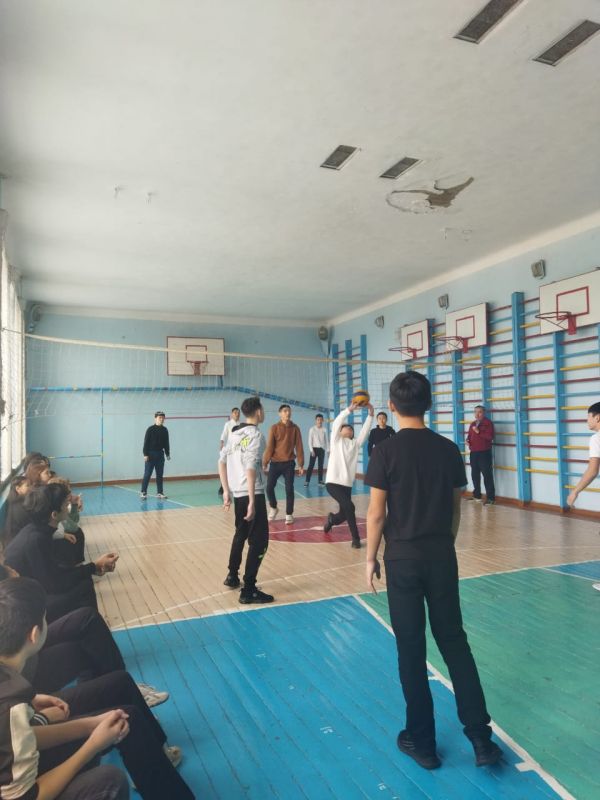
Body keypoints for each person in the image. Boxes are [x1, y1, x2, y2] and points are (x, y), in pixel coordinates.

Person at [365, 371, 502, 770]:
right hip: (441, 556)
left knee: (411, 649)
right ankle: (481, 740)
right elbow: (456, 509)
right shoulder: (448, 449)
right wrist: (444, 545)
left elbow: (376, 514)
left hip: (402, 560)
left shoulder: (385, 452)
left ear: (392, 406)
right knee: (455, 643)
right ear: (428, 403)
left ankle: (422, 743)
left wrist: (370, 558)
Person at [0, 577, 195, 800]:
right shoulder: (11, 705)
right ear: (34, 635)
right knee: (110, 782)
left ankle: (160, 763)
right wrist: (92, 745)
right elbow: (27, 796)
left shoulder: (12, 690)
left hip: (23, 741)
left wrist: (90, 724)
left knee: (122, 711)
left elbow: (18, 736)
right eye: (45, 618)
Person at [0, 561, 169, 708]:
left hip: (24, 651)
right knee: (84, 653)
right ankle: (118, 692)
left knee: (87, 619)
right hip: (25, 671)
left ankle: (118, 691)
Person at [4, 484, 118, 622]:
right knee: (84, 587)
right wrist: (94, 566)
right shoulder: (36, 540)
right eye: (65, 505)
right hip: (24, 607)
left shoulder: (36, 530)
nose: (67, 506)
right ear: (54, 514)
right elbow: (54, 584)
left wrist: (94, 567)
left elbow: (53, 573)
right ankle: (89, 623)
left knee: (83, 578)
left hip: (34, 588)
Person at [219, 396, 273, 604]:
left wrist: (226, 491)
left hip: (238, 494)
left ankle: (232, 576)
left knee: (240, 534)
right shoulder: (256, 435)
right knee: (260, 542)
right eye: (263, 409)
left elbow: (221, 461)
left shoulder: (234, 435)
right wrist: (252, 500)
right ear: (258, 412)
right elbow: (250, 467)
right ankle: (248, 589)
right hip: (253, 494)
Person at [324, 403, 374, 548]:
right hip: (333, 483)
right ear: (340, 431)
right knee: (349, 506)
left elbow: (364, 431)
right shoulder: (336, 440)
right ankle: (356, 539)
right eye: (346, 427)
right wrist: (349, 410)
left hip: (347, 485)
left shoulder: (355, 444)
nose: (349, 429)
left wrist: (370, 414)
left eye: (351, 429)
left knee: (344, 512)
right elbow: (337, 423)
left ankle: (332, 520)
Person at [567, 401, 600, 592]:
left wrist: (575, 490)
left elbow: (592, 470)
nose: (587, 420)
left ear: (597, 417)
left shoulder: (596, 438)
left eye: (588, 416)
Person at [262, 404, 304, 524]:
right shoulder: (274, 428)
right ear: (279, 414)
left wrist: (300, 464)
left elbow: (299, 446)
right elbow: (270, 447)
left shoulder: (295, 428)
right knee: (269, 487)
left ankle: (289, 514)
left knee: (289, 489)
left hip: (289, 464)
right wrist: (265, 462)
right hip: (275, 463)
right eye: (285, 411)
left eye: (289, 411)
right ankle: (273, 507)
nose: (287, 413)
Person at [466, 405, 495, 505]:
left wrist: (479, 432)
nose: (477, 414)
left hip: (484, 453)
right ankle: (477, 495)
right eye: (475, 412)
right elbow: (469, 436)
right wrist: (467, 441)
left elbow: (490, 437)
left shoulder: (488, 423)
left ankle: (490, 498)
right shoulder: (472, 424)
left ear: (484, 413)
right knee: (474, 474)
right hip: (474, 453)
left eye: (479, 412)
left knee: (487, 475)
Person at [141, 411, 170, 499]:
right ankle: (143, 492)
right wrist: (145, 454)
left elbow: (166, 443)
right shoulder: (150, 429)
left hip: (160, 455)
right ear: (155, 419)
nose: (161, 419)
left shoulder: (165, 430)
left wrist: (167, 453)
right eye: (159, 418)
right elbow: (146, 442)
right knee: (147, 474)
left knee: (160, 474)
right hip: (150, 454)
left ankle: (160, 492)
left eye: (163, 418)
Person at [1, 475, 32, 548]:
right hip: (18, 542)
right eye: (27, 485)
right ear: (18, 489)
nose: (31, 488)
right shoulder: (18, 507)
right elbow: (28, 526)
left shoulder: (16, 501)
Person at [218, 407, 241, 495]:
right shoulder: (228, 424)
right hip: (229, 449)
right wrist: (221, 443)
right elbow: (224, 434)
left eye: (238, 413)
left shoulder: (241, 424)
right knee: (226, 468)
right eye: (235, 412)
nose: (237, 414)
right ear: (232, 414)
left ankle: (235, 486)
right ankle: (222, 487)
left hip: (238, 448)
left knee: (236, 467)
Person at [305, 413, 328, 486]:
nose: (319, 421)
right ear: (316, 420)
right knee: (311, 465)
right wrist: (311, 450)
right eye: (318, 420)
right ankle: (307, 481)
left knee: (320, 466)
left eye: (321, 420)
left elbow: (326, 441)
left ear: (322, 420)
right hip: (314, 450)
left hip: (322, 449)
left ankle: (320, 481)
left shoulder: (324, 429)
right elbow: (309, 441)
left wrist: (328, 450)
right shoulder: (312, 429)